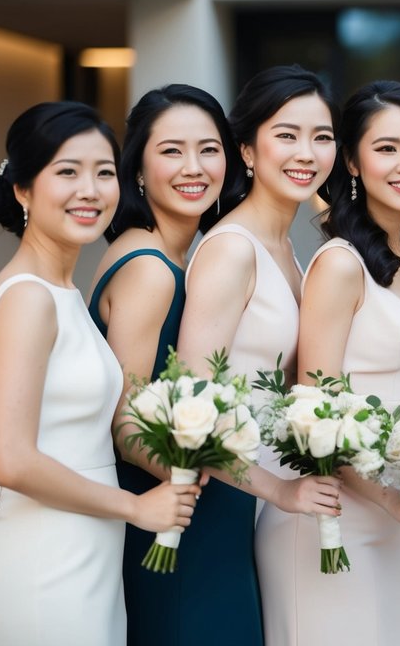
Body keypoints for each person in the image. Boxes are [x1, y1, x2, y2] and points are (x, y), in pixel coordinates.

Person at [0, 102, 199, 646]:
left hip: (87, 562)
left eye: (103, 172)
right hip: (43, 570)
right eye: (67, 172)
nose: (90, 190)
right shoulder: (28, 298)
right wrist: (136, 506)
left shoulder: (63, 292)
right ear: (23, 189)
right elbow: (11, 459)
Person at [262, 81, 400, 645]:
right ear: (351, 161)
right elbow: (315, 417)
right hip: (339, 516)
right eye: (386, 148)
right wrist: (392, 501)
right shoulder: (340, 265)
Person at [174, 65, 344, 644]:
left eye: (321, 136)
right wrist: (280, 491)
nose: (307, 152)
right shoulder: (230, 250)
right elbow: (189, 414)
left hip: (279, 505)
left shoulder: (290, 250)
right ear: (246, 149)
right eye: (286, 134)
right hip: (231, 504)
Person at [87, 84, 248, 646]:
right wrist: (216, 460)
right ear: (137, 168)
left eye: (209, 149)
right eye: (172, 150)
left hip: (203, 513)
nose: (194, 167)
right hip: (173, 518)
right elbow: (125, 422)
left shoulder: (181, 255)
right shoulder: (150, 268)